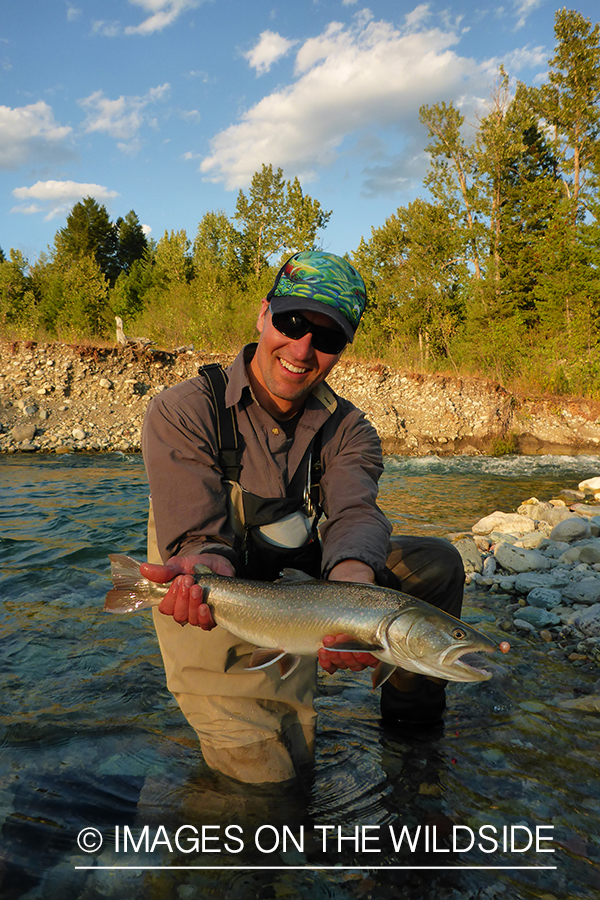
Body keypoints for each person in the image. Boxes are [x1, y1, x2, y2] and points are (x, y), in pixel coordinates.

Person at [140, 250, 465, 784]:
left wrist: (355, 585)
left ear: (342, 349)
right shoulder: (185, 410)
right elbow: (198, 535)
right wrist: (204, 572)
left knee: (437, 565)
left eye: (327, 338)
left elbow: (355, 511)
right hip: (215, 603)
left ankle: (413, 735)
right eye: (292, 323)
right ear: (263, 314)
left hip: (308, 590)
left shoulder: (350, 429)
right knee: (276, 781)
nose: (303, 348)